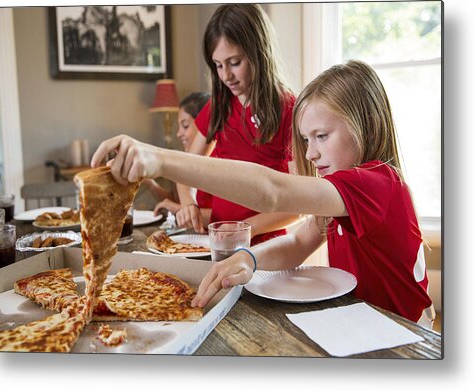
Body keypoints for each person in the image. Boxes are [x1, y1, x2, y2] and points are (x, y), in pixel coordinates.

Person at [91, 60, 435, 327]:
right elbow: (299, 243)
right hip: (362, 321)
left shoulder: (378, 184)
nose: (311, 153)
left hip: (401, 332)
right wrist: (249, 258)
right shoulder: (345, 194)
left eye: (321, 136)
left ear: (366, 124)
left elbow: (271, 190)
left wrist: (160, 159)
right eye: (305, 139)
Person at [173, 4, 300, 245]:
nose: (226, 76)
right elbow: (185, 169)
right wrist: (188, 203)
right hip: (220, 243)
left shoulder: (290, 110)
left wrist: (243, 229)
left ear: (259, 53)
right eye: (218, 65)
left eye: (234, 62)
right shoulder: (220, 105)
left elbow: (298, 208)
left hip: (267, 247)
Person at [143, 92, 212, 222]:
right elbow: (173, 200)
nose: (179, 134)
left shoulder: (218, 162)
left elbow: (223, 216)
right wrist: (150, 183)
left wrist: (178, 209)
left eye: (185, 126)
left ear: (204, 124)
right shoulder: (187, 160)